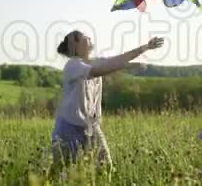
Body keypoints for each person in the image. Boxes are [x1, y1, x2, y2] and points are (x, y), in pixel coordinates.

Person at [51, 30, 164, 173]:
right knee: (64, 172)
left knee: (106, 168)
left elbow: (117, 60)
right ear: (75, 46)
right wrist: (126, 66)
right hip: (69, 129)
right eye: (83, 37)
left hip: (91, 126)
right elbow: (99, 71)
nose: (88, 37)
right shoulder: (73, 65)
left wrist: (145, 48)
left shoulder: (94, 62)